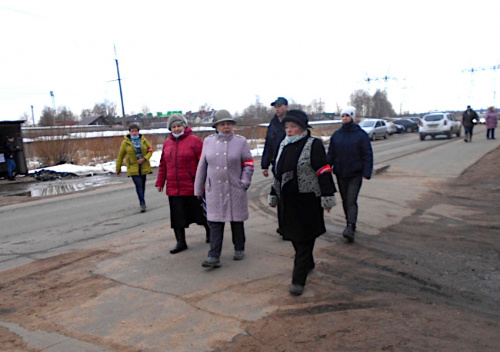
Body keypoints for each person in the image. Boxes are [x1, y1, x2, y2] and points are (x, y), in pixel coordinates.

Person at [268, 109, 336, 296]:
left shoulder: (313, 144)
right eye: (287, 127)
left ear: (303, 128)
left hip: (307, 201)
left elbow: (323, 169)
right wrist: (274, 194)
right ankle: (308, 262)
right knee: (294, 237)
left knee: (304, 237)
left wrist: (327, 195)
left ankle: (298, 280)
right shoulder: (283, 145)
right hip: (288, 201)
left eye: (293, 127)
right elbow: (278, 174)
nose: (289, 130)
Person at [195, 109, 254, 268]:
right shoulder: (208, 142)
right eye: (222, 124)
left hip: (235, 188)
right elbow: (202, 166)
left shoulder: (240, 142)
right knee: (215, 223)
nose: (226, 126)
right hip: (214, 189)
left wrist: (245, 181)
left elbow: (248, 163)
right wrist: (198, 189)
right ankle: (214, 256)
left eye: (229, 123)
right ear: (216, 126)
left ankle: (239, 247)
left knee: (237, 221)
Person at [155, 113, 210, 254]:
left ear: (184, 126)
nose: (177, 129)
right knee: (177, 217)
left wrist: (205, 181)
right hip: (174, 188)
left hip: (192, 186)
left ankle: (210, 232)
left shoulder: (195, 141)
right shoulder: (167, 143)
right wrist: (160, 181)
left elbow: (204, 163)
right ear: (170, 129)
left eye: (179, 126)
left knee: (201, 214)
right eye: (174, 126)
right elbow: (163, 164)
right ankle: (181, 242)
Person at [327, 106, 373, 244]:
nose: (345, 118)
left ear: (352, 117)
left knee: (351, 200)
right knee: (345, 200)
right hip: (341, 173)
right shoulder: (337, 135)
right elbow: (331, 154)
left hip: (355, 173)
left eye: (347, 115)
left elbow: (367, 154)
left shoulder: (361, 135)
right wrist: (325, 168)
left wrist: (366, 172)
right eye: (343, 116)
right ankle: (350, 222)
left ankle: (350, 227)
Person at [116, 123, 153, 213]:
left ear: (138, 131)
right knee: (138, 185)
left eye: (136, 131)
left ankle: (142, 198)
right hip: (133, 166)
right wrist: (118, 167)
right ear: (129, 132)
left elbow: (150, 151)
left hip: (143, 166)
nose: (134, 133)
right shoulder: (126, 143)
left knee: (143, 185)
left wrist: (145, 158)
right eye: (132, 131)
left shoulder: (143, 140)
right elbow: (121, 155)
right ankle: (142, 202)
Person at [261, 97, 288, 177]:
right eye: (275, 107)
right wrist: (265, 165)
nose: (277, 109)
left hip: (292, 163)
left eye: (279, 106)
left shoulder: (294, 122)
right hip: (277, 164)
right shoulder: (273, 124)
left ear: (286, 107)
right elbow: (268, 145)